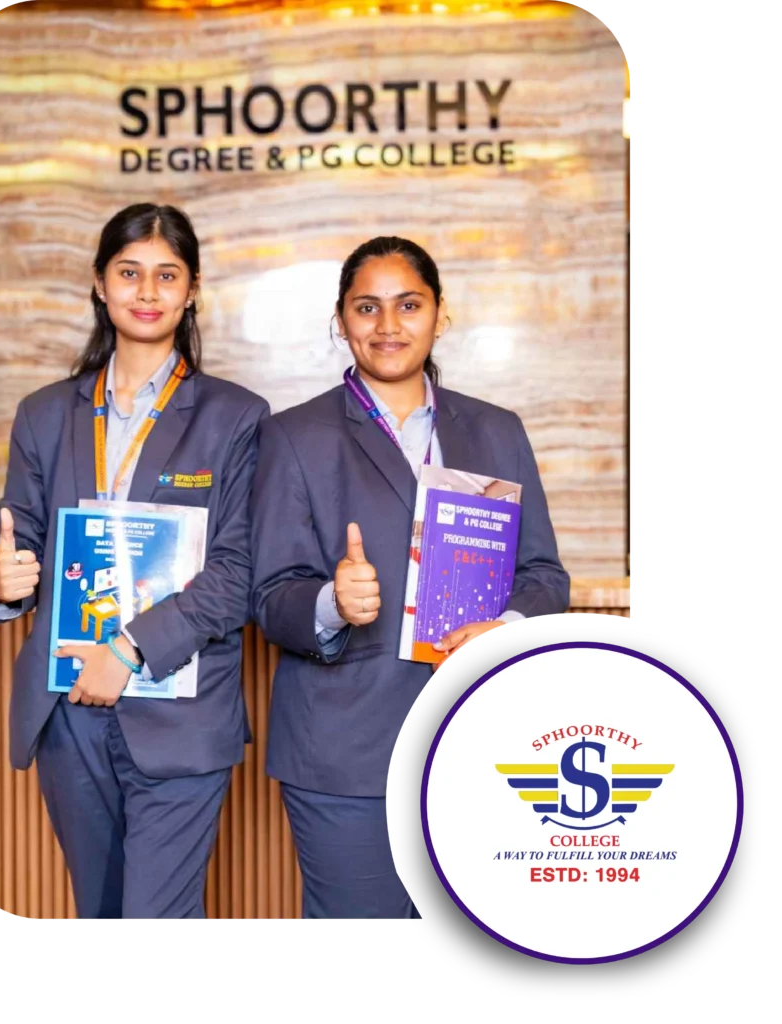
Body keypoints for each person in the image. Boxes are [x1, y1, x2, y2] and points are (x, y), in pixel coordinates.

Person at [250, 235, 569, 919]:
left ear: (439, 314)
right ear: (341, 320)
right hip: (345, 753)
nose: (388, 325)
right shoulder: (293, 436)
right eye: (367, 307)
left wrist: (502, 627)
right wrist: (330, 603)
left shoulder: (496, 430)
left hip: (474, 738)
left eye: (408, 305)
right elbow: (270, 596)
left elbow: (544, 576)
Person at [0, 203, 269, 920]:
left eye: (166, 275)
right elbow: (22, 541)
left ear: (192, 290)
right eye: (129, 272)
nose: (147, 291)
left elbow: (237, 571)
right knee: (100, 910)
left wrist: (130, 649)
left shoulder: (235, 417)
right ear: (99, 284)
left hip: (179, 705)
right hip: (70, 704)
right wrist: (1, 580)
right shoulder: (45, 413)